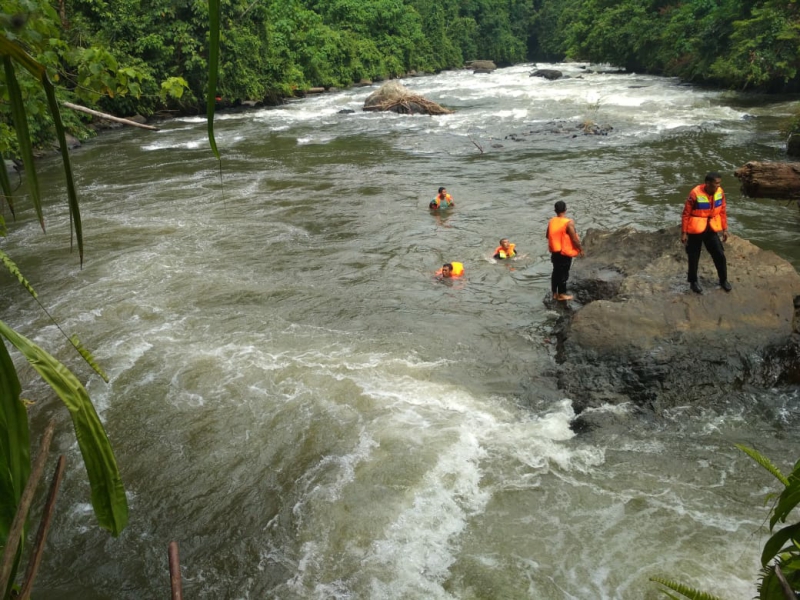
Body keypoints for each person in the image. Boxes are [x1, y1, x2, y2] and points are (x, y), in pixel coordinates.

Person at [681, 172, 732, 293]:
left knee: (719, 254)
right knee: (693, 256)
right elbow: (686, 214)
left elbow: (723, 211)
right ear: (708, 184)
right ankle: (693, 282)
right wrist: (684, 232)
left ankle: (723, 280)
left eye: (719, 183)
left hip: (711, 228)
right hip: (696, 228)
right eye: (716, 184)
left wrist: (725, 229)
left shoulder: (720, 192)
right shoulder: (695, 193)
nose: (718, 186)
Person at [546, 201, 583, 301]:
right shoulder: (568, 223)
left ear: (555, 210)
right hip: (564, 253)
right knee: (563, 273)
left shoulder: (551, 221)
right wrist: (581, 249)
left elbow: (547, 235)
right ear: (565, 210)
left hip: (555, 252)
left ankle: (554, 293)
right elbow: (574, 239)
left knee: (556, 271)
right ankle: (562, 294)